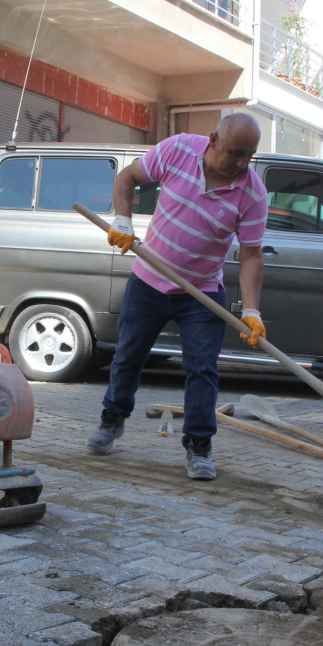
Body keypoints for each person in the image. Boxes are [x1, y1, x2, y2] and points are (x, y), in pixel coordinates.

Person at [86, 112, 269, 481]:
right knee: (128, 356)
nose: (241, 163)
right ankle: (112, 420)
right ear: (213, 140)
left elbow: (251, 254)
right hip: (148, 280)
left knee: (203, 369)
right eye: (235, 153)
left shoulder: (252, 193)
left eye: (248, 155)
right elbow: (128, 178)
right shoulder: (179, 149)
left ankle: (199, 446)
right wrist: (123, 221)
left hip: (201, 292)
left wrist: (252, 310)